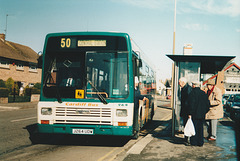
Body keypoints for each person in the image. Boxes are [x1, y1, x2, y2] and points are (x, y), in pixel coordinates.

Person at [188, 81, 210, 146]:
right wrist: (204, 111)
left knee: (194, 128)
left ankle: (194, 142)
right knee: (200, 128)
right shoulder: (203, 94)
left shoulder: (192, 93)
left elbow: (190, 105)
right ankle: (200, 142)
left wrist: (190, 113)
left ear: (194, 85)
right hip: (202, 114)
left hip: (194, 114)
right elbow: (207, 104)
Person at [178, 77, 192, 145]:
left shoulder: (188, 89)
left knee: (187, 125)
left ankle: (187, 139)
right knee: (185, 125)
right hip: (185, 110)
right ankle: (186, 138)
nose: (178, 84)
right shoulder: (184, 88)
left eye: (179, 82)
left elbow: (188, 101)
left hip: (187, 110)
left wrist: (189, 112)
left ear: (183, 82)